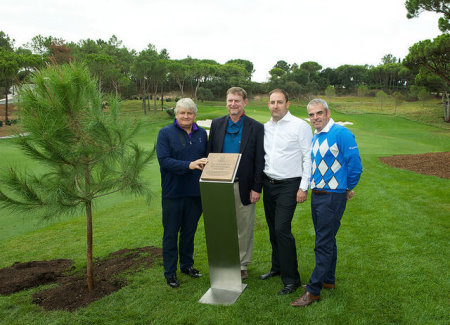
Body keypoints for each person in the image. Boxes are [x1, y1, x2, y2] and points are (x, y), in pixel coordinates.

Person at [291, 98, 362, 307]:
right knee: (328, 238)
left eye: (319, 113)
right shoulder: (316, 136)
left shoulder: (341, 133)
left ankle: (313, 291)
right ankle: (328, 280)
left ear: (328, 113)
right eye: (311, 115)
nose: (315, 118)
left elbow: (355, 166)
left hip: (332, 196)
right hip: (319, 194)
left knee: (322, 242)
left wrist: (347, 187)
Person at [207, 86, 264, 280]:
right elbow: (210, 155)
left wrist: (257, 187)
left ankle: (241, 264)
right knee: (222, 225)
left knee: (243, 228)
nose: (233, 104)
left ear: (245, 102)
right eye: (230, 100)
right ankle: (224, 262)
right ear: (226, 102)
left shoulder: (256, 127)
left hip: (245, 185)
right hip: (220, 184)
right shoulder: (216, 124)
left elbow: (259, 160)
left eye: (237, 101)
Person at [261, 89, 313, 295]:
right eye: (272, 102)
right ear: (268, 105)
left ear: (287, 104)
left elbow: (308, 156)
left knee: (282, 230)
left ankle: (291, 279)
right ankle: (277, 267)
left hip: (289, 185)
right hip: (269, 183)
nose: (276, 106)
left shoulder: (300, 126)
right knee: (273, 229)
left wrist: (303, 186)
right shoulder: (265, 127)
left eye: (279, 102)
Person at [156, 98, 208, 288]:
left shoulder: (202, 133)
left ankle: (187, 265)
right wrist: (189, 165)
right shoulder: (165, 133)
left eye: (190, 113)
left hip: (195, 193)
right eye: (182, 113)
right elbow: (164, 161)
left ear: (195, 114)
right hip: (173, 193)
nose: (186, 116)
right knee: (170, 234)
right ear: (176, 114)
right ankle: (170, 272)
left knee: (189, 232)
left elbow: (208, 159)